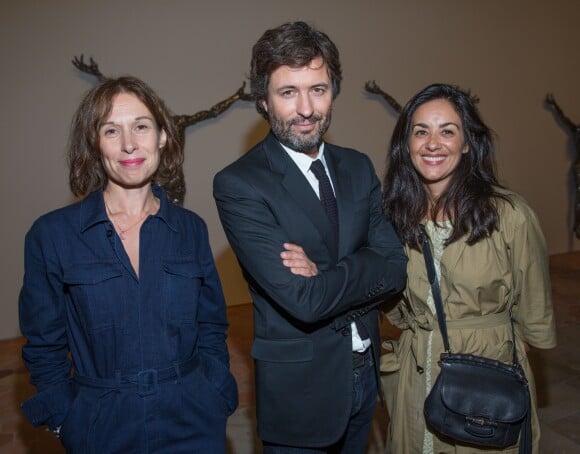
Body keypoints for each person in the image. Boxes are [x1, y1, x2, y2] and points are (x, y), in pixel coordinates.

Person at [213, 21, 407, 453]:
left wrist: (325, 273)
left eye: (318, 89)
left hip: (365, 375)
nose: (306, 108)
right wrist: (360, 267)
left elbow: (396, 268)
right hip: (301, 392)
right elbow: (304, 300)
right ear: (263, 100)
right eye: (288, 93)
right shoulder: (240, 185)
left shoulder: (357, 167)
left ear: (333, 91)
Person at [19, 76, 237, 453]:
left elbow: (211, 325)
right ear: (94, 143)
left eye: (141, 126)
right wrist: (64, 417)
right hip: (101, 425)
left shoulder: (190, 229)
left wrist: (215, 390)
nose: (129, 144)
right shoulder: (53, 234)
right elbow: (44, 344)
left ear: (162, 137)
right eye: (111, 130)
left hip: (193, 419)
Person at [380, 83, 557, 453]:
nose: (433, 143)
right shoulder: (396, 217)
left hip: (482, 380)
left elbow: (533, 313)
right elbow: (396, 305)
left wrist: (496, 359)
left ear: (467, 144)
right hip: (415, 375)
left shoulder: (509, 215)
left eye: (447, 131)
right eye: (421, 131)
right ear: (406, 144)